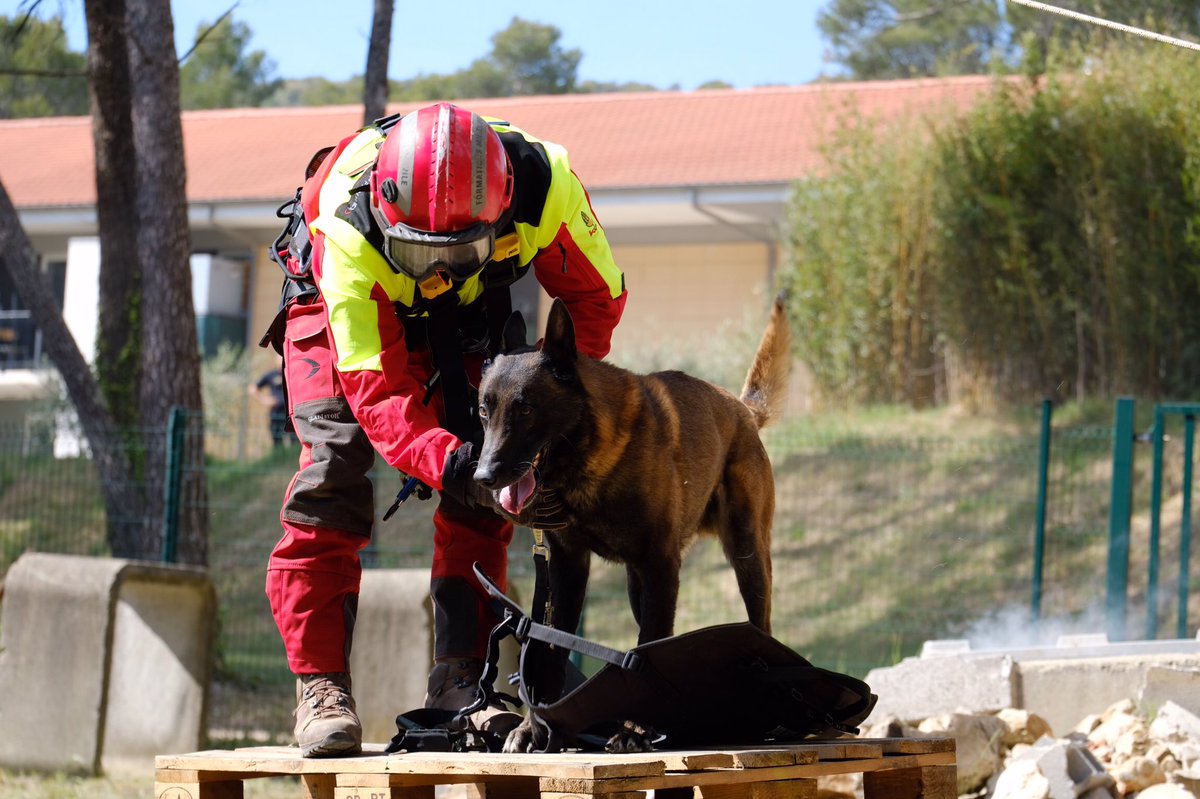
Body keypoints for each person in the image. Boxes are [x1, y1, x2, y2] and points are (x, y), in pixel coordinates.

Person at [264, 102, 626, 757]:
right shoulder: (347, 234)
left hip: (471, 309)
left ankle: (463, 680)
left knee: (495, 466)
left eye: (459, 252)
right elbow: (380, 396)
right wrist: (451, 463)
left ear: (502, 212)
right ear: (386, 214)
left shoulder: (547, 186)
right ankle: (321, 687)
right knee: (332, 473)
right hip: (339, 302)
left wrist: (546, 406)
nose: (436, 269)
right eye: (420, 252)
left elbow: (595, 301)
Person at [251, 369, 290, 447]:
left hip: (291, 413)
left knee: (295, 442)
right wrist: (264, 399)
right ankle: (278, 454)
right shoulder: (271, 375)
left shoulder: (291, 372)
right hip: (276, 413)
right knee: (277, 442)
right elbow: (253, 388)